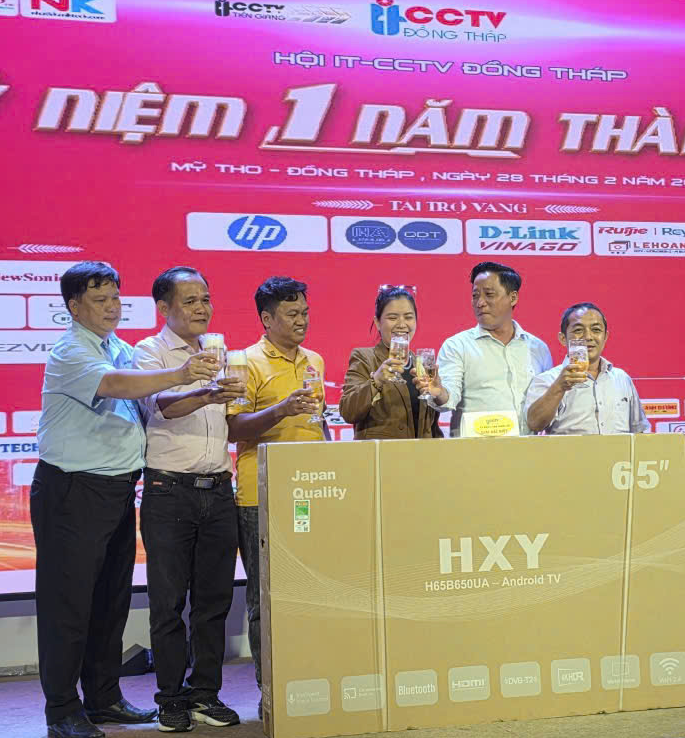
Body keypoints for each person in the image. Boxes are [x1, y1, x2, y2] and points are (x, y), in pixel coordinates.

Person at [32, 261, 220, 738]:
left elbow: (145, 396)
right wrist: (180, 372)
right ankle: (62, 709)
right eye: (100, 300)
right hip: (72, 489)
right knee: (68, 604)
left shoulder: (116, 346)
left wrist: (200, 389)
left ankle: (103, 696)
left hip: (117, 489)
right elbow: (114, 385)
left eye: (115, 297)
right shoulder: (71, 350)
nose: (112, 307)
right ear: (74, 307)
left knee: (109, 601)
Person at [133, 266, 245, 734]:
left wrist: (233, 397)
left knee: (213, 602)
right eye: (191, 300)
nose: (202, 308)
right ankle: (170, 698)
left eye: (206, 299)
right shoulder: (149, 352)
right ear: (164, 308)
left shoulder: (220, 352)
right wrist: (205, 391)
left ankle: (205, 694)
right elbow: (163, 406)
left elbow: (230, 421)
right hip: (169, 492)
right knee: (168, 603)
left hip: (218, 490)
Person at [226, 277, 324, 714]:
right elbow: (234, 428)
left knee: (314, 592)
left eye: (305, 312)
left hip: (313, 491)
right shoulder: (245, 362)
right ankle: (271, 691)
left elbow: (316, 423)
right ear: (267, 319)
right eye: (292, 314)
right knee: (265, 599)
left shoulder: (314, 360)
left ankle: (310, 677)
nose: (302, 320)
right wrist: (282, 408)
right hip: (259, 496)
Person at [428, 262, 552, 436]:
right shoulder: (457, 346)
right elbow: (448, 400)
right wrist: (439, 392)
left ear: (513, 298)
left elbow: (547, 404)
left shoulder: (538, 348)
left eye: (489, 295)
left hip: (528, 447)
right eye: (475, 296)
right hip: (475, 448)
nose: (480, 303)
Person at [523, 303, 650, 435]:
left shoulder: (622, 379)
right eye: (578, 330)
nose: (588, 337)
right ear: (563, 338)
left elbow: (638, 432)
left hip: (618, 450)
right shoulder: (548, 379)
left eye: (596, 330)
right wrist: (559, 387)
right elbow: (534, 424)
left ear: (605, 337)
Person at [339, 286, 445, 440]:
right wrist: (376, 380)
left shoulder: (421, 363)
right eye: (393, 317)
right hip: (381, 453)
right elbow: (348, 412)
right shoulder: (364, 357)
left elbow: (432, 425)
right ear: (377, 322)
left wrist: (439, 393)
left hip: (421, 453)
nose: (402, 324)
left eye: (408, 317)